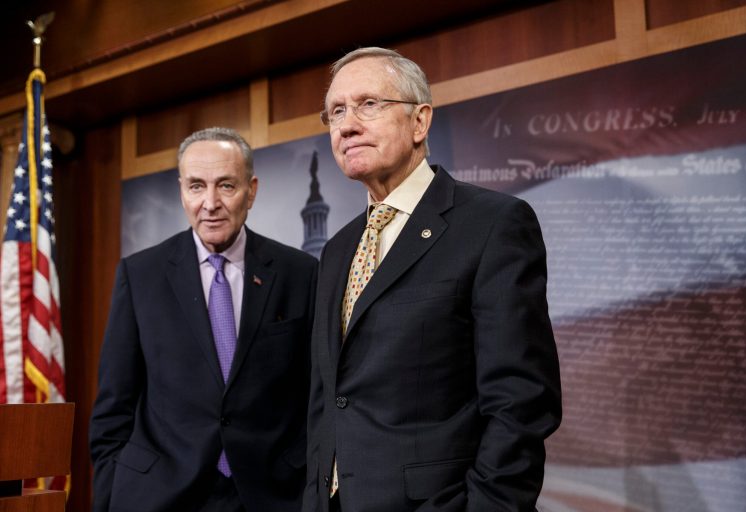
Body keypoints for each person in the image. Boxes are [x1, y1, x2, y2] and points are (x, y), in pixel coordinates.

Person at [302, 48, 562, 512]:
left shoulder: (493, 224)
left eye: (368, 104)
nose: (346, 124)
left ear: (420, 121)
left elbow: (521, 402)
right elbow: (328, 399)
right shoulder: (338, 249)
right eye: (336, 111)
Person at [90, 127, 317, 512]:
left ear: (252, 189)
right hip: (162, 496)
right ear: (182, 190)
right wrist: (113, 494)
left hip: (274, 495)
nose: (209, 203)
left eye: (226, 185)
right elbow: (114, 407)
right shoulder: (140, 274)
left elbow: (314, 396)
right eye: (196, 186)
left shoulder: (301, 272)